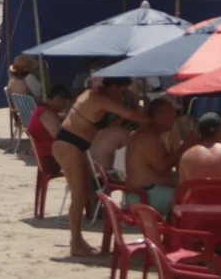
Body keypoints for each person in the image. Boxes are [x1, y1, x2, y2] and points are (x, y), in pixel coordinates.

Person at [51, 77, 149, 256]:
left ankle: (78, 240)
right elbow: (133, 115)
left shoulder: (96, 95)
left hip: (74, 144)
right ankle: (75, 242)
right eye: (122, 91)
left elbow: (99, 125)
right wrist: (154, 118)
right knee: (79, 196)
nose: (123, 95)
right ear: (112, 86)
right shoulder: (99, 98)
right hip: (68, 145)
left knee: (84, 193)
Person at [125, 97, 198, 216]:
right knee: (194, 199)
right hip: (146, 196)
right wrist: (184, 148)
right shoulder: (146, 137)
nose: (174, 118)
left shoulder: (152, 135)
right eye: (172, 114)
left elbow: (167, 163)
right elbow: (162, 166)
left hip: (151, 192)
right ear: (158, 116)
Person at [179, 112, 221, 187]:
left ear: (199, 133)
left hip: (198, 198)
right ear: (220, 131)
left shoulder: (186, 157)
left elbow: (183, 190)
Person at [26, 84, 73, 176]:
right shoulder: (46, 113)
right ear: (57, 99)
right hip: (50, 159)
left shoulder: (43, 110)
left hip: (47, 156)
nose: (65, 106)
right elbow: (60, 137)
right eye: (65, 103)